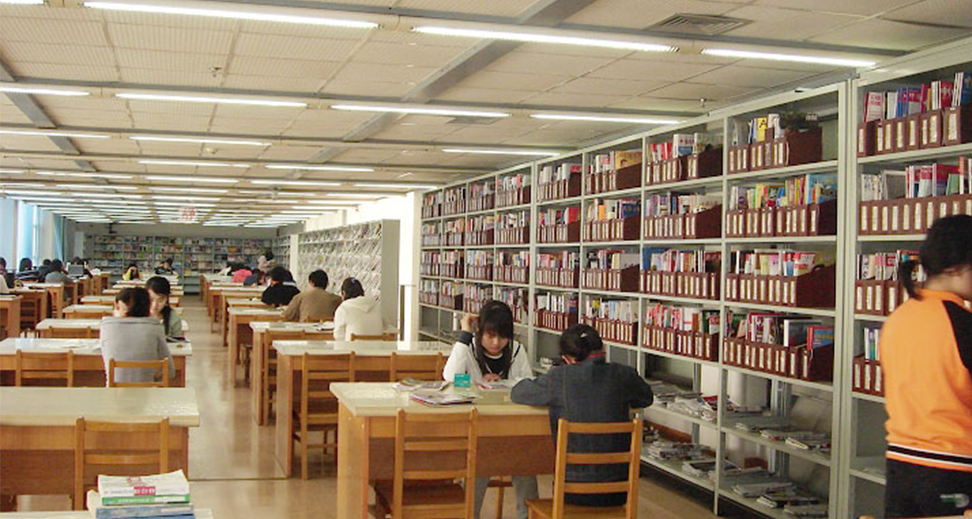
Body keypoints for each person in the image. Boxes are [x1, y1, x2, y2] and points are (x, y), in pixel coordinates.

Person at [880, 215, 972, 518]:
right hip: (953, 467)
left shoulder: (899, 317)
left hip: (901, 466)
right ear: (956, 268)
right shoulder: (961, 324)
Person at [511, 324, 654, 508]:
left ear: (567, 359)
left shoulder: (559, 377)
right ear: (602, 348)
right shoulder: (624, 374)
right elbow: (645, 398)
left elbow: (519, 392)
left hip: (572, 490)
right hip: (617, 491)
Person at [442, 300, 536, 519]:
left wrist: (503, 383)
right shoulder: (468, 348)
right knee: (479, 463)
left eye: (502, 337)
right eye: (490, 335)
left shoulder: (516, 350)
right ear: (479, 331)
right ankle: (469, 514)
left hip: (511, 427)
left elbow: (527, 382)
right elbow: (451, 378)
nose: (496, 343)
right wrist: (465, 334)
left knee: (526, 463)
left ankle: (527, 515)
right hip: (478, 427)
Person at [100, 287, 174, 385]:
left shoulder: (107, 326)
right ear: (148, 306)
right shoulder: (155, 327)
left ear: (117, 305)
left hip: (115, 391)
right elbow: (170, 371)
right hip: (148, 391)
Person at [332, 278, 393, 342]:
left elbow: (338, 336)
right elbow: (386, 326)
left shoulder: (343, 309)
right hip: (377, 347)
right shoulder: (376, 306)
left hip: (353, 347)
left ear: (344, 293)